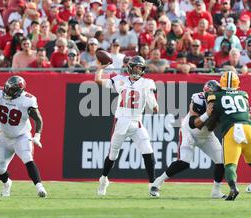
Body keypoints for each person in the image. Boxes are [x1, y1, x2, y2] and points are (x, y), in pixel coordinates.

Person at [206, 71, 251, 200]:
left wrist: (211, 122)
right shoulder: (243, 95)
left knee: (230, 165)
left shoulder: (214, 96)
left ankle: (233, 188)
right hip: (248, 128)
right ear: (237, 83)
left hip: (232, 130)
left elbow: (212, 120)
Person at [94, 56, 159, 196]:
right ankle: (103, 179)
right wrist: (100, 68)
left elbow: (155, 108)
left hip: (137, 122)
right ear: (130, 67)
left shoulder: (147, 83)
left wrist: (153, 103)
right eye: (135, 67)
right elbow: (98, 81)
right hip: (121, 121)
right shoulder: (120, 80)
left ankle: (153, 185)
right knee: (112, 155)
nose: (138, 70)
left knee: (148, 151)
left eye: (140, 68)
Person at [150, 80, 226, 198]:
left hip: (207, 135)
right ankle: (157, 183)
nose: (215, 98)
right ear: (206, 94)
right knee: (184, 162)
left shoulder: (222, 102)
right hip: (189, 132)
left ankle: (216, 192)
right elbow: (192, 123)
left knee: (222, 160)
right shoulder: (198, 99)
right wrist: (207, 114)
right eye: (212, 95)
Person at [0, 76, 47, 197]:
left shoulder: (27, 100)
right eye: (6, 88)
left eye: (10, 90)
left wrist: (37, 136)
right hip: (4, 136)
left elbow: (38, 119)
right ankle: (7, 183)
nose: (6, 91)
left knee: (28, 158)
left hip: (21, 136)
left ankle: (40, 187)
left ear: (18, 91)